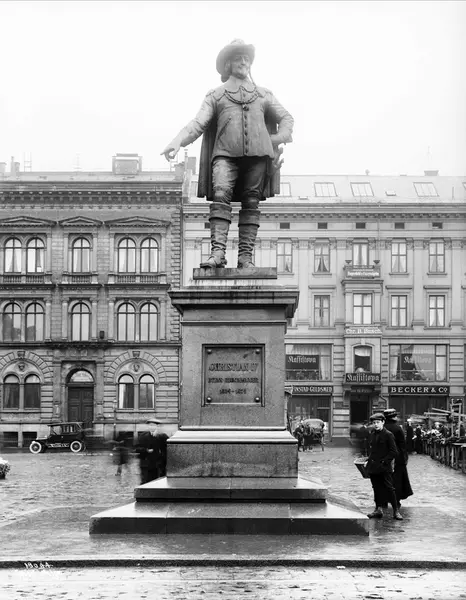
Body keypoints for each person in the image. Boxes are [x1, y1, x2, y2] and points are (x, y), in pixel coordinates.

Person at [161, 39, 294, 269]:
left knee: (251, 203)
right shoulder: (216, 95)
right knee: (220, 195)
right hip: (224, 155)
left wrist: (272, 139)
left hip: (258, 158)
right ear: (228, 64)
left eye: (246, 59)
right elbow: (198, 123)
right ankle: (218, 254)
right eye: (238, 58)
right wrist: (177, 141)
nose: (243, 62)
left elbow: (287, 119)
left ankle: (245, 258)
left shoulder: (264, 94)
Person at [365, 412, 402, 520]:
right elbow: (372, 450)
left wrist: (384, 462)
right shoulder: (372, 434)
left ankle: (396, 511)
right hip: (373, 467)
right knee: (376, 488)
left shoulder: (388, 435)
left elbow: (394, 452)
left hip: (384, 467)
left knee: (389, 489)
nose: (376, 424)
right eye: (374, 423)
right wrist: (368, 460)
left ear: (383, 422)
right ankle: (378, 509)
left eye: (378, 422)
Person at [383, 409, 413, 508]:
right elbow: (402, 445)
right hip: (397, 458)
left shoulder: (382, 428)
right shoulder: (397, 428)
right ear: (393, 417)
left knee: (384, 479)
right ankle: (396, 500)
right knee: (398, 480)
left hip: (384, 457)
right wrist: (404, 458)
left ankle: (384, 499)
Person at [135, 419, 169, 484]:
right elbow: (137, 448)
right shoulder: (143, 436)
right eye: (150, 425)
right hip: (146, 465)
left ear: (157, 426)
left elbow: (168, 447)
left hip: (158, 465)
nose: (151, 427)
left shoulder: (162, 436)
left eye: (153, 425)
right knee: (145, 483)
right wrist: (146, 450)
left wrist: (157, 436)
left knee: (157, 483)